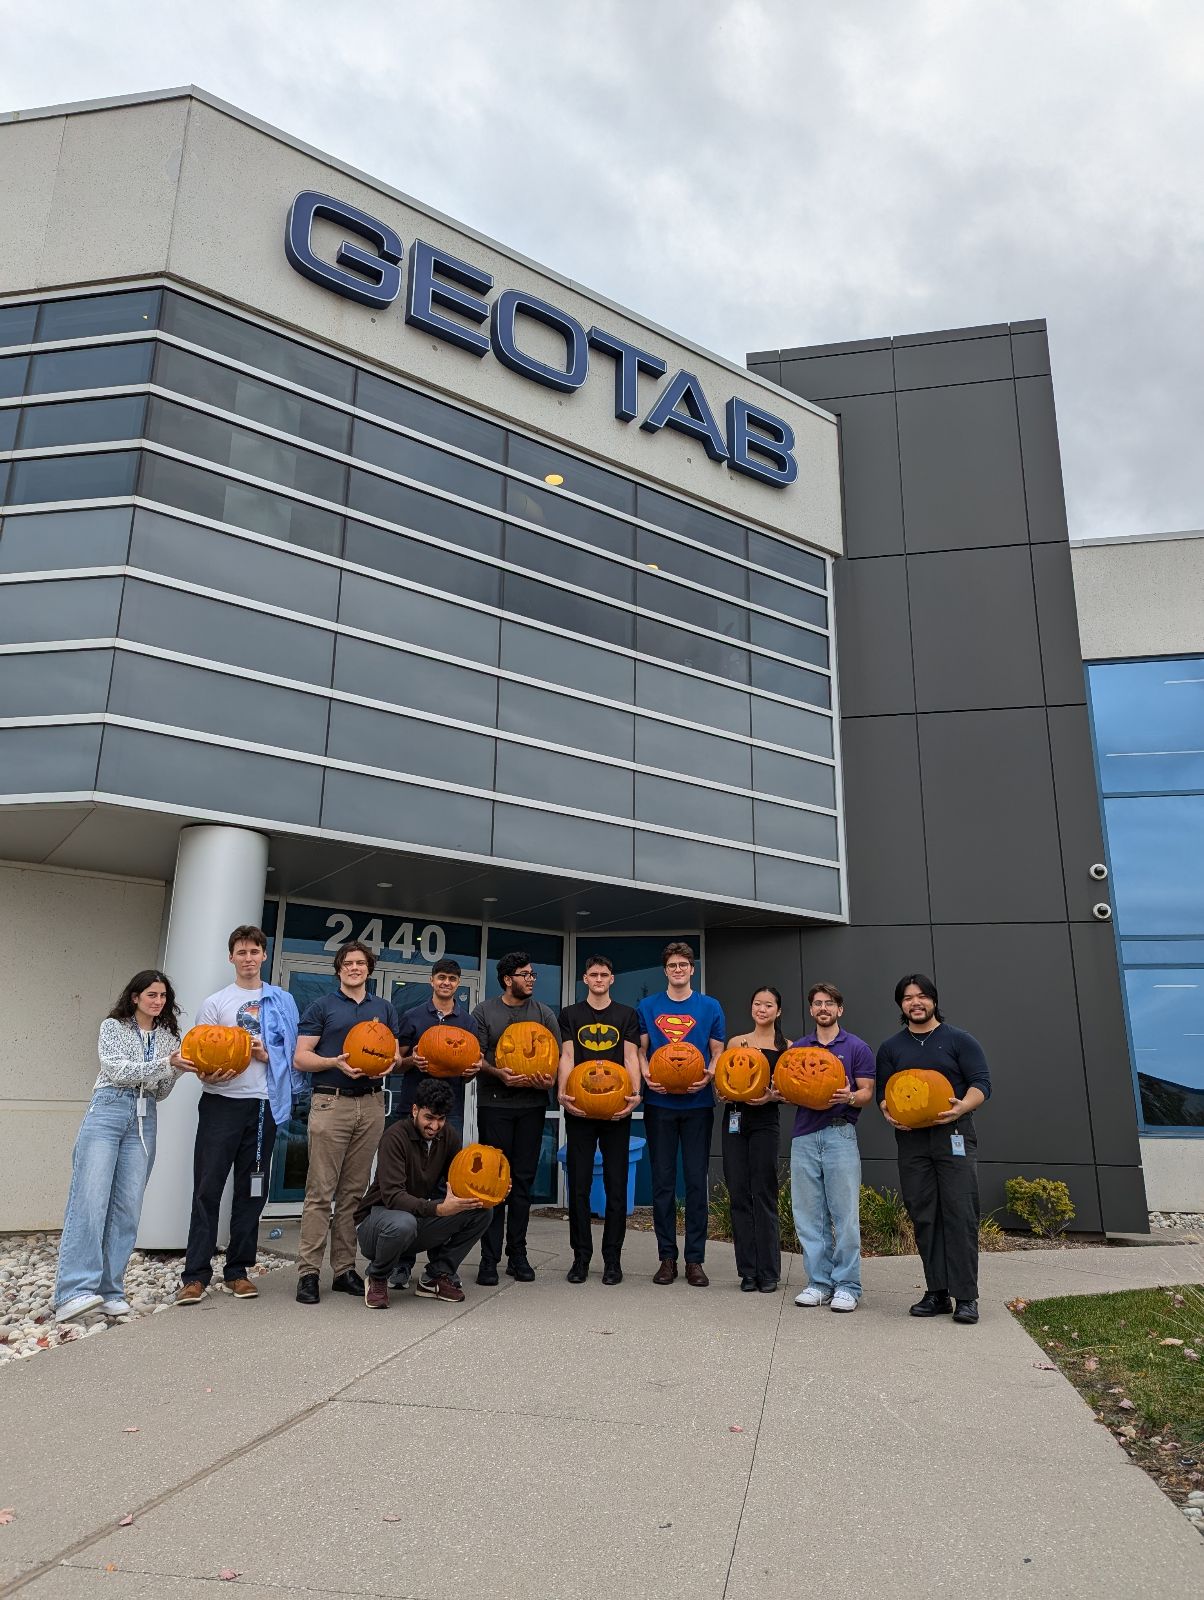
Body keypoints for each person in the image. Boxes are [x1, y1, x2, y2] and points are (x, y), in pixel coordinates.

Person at [175, 926, 299, 1307]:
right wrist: (207, 1073)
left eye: (254, 952)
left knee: (252, 1190)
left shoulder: (281, 1001)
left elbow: (295, 1055)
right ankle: (195, 1274)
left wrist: (268, 1055)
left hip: (263, 1105)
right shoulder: (216, 1003)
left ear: (264, 956)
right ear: (231, 957)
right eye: (241, 952)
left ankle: (238, 1271)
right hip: (221, 1102)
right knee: (207, 1187)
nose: (248, 958)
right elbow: (201, 1054)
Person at [55, 971, 186, 1322]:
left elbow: (158, 1091)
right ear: (135, 997)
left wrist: (179, 1071)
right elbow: (116, 1071)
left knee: (127, 1207)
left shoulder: (168, 1036)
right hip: (109, 1110)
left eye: (163, 996)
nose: (158, 1001)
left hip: (145, 1117)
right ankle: (73, 1291)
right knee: (90, 1200)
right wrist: (166, 1063)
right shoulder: (113, 1027)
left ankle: (109, 1289)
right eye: (151, 995)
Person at [876, 974, 992, 1325]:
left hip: (953, 1135)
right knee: (924, 1214)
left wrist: (962, 1107)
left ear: (934, 1001)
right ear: (900, 1005)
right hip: (912, 1141)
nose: (916, 1002)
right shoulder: (891, 1048)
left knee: (960, 1213)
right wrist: (889, 1115)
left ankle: (966, 1296)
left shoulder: (959, 1040)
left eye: (922, 996)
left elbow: (982, 1084)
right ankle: (937, 1292)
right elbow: (885, 1095)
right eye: (908, 997)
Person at [292, 940, 400, 1305]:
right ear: (338, 970)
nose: (354, 968)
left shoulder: (384, 1008)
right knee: (320, 1191)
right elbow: (301, 1058)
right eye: (347, 963)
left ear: (369, 968)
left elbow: (393, 1053)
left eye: (360, 963)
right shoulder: (322, 1006)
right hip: (330, 1102)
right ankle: (309, 1272)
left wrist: (391, 1064)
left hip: (370, 1104)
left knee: (353, 1194)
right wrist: (334, 1062)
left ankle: (343, 1269)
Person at [389, 958, 483, 1289]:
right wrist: (412, 1060)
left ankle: (440, 1265)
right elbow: (394, 1062)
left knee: (446, 1184)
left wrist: (472, 1071)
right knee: (411, 1185)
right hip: (414, 1109)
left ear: (458, 983)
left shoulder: (467, 1022)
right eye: (441, 977)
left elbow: (472, 1061)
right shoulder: (414, 1016)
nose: (446, 983)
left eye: (452, 979)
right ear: (432, 981)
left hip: (448, 1111)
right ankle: (402, 1262)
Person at [355, 1079, 491, 1307]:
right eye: (429, 1118)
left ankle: (436, 1276)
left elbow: (459, 1180)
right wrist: (438, 1209)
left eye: (441, 1119)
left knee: (481, 1212)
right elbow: (393, 1197)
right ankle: (377, 1276)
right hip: (376, 1222)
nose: (435, 1126)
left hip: (416, 1218)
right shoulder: (394, 1137)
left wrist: (490, 1191)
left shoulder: (448, 1136)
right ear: (415, 1110)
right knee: (403, 1223)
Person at [637, 942, 725, 1287]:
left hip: (697, 1105)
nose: (678, 970)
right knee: (662, 1182)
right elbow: (641, 1050)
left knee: (694, 1182)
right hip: (660, 1105)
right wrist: (645, 1075)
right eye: (672, 965)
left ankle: (695, 1260)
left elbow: (717, 1050)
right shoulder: (648, 1006)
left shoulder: (709, 1006)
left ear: (692, 970)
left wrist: (709, 1073)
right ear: (665, 971)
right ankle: (667, 1258)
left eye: (683, 965)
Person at [470, 951, 561, 1286]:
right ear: (508, 979)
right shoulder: (485, 1012)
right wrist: (499, 1074)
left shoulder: (544, 1014)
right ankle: (488, 1259)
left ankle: (517, 1254)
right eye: (525, 974)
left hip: (531, 1107)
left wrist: (550, 1079)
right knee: (492, 1182)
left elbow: (556, 1058)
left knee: (522, 1182)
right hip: (495, 1105)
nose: (532, 979)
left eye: (533, 974)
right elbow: (475, 1057)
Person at [789, 982, 876, 1312]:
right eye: (817, 1003)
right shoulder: (798, 1048)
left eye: (829, 1003)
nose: (823, 1008)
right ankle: (819, 1283)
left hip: (840, 1134)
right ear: (811, 1010)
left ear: (840, 1009)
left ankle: (848, 1285)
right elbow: (790, 1087)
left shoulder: (856, 1047)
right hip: (804, 1137)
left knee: (845, 1215)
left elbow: (867, 1092)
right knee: (809, 1215)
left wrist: (850, 1096)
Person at [557, 954, 641, 1286]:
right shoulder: (570, 1015)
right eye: (593, 974)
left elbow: (631, 1055)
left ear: (612, 978)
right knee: (578, 1186)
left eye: (604, 974)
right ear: (585, 979)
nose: (599, 979)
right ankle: (580, 1258)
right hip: (579, 1107)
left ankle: (612, 1260)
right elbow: (567, 1054)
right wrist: (563, 1092)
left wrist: (635, 1095)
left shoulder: (626, 1015)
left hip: (616, 1107)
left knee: (616, 1186)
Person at [721, 987, 787, 1294]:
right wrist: (720, 1093)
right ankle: (747, 1271)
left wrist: (775, 1097)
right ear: (751, 1008)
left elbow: (793, 1088)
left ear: (778, 1011)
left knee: (764, 1193)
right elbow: (723, 1079)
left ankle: (769, 1271)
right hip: (735, 1120)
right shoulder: (737, 1042)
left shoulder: (787, 1046)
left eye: (768, 1005)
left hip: (765, 1122)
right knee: (739, 1193)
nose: (762, 1009)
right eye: (757, 1003)